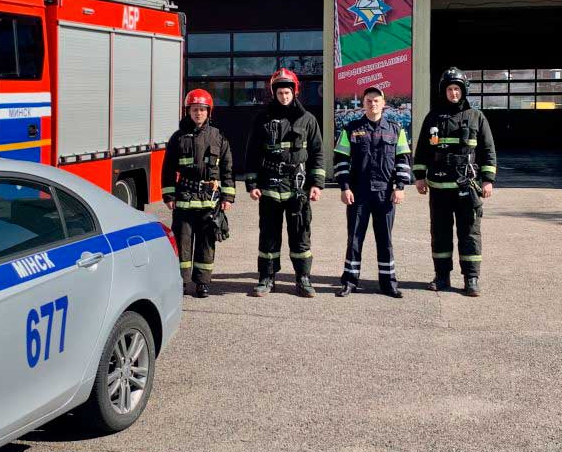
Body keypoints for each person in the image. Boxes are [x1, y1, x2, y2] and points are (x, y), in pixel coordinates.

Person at [412, 67, 497, 297]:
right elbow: (422, 150)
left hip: (466, 187)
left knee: (469, 232)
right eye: (449, 89)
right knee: (439, 233)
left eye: (457, 89)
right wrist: (419, 177)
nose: (453, 93)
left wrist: (487, 180)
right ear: (444, 91)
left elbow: (488, 151)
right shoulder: (433, 117)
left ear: (463, 91)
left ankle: (471, 278)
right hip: (439, 189)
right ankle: (442, 276)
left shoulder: (476, 117)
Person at [245, 68, 324, 298]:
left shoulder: (308, 119)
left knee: (300, 234)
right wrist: (252, 184)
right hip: (269, 185)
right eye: (280, 92)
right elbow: (251, 153)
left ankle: (303, 278)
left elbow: (317, 153)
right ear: (274, 93)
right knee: (268, 234)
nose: (284, 96)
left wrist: (317, 183)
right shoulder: (263, 118)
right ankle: (267, 278)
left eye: (287, 92)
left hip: (297, 187)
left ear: (294, 91)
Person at [333, 87, 412, 298]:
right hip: (358, 193)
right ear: (363, 103)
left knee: (385, 239)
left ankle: (388, 283)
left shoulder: (396, 130)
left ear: (383, 103)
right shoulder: (351, 128)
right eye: (369, 100)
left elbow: (403, 160)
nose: (373, 104)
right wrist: (344, 187)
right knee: (355, 239)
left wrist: (400, 187)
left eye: (376, 100)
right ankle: (350, 281)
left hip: (385, 194)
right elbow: (341, 160)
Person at [162, 89, 234, 298]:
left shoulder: (218, 136)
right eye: (194, 109)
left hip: (209, 201)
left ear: (208, 112)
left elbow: (228, 168)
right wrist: (169, 195)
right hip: (184, 198)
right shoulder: (178, 138)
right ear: (188, 111)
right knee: (183, 243)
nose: (198, 113)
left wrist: (228, 196)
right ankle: (182, 281)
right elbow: (167, 169)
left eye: (202, 109)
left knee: (206, 242)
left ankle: (202, 282)